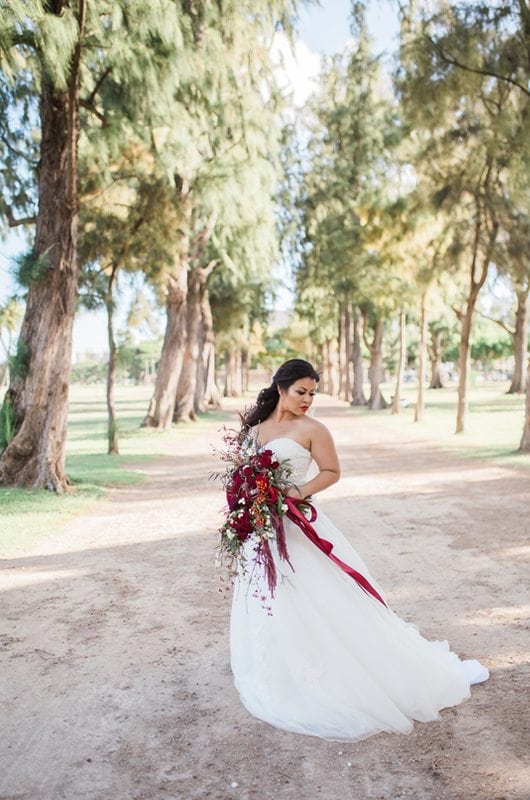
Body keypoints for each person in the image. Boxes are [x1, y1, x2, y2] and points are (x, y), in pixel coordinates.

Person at [229, 358, 489, 742]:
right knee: (270, 593)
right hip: (261, 527)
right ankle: (281, 662)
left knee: (313, 592)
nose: (308, 400)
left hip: (297, 525)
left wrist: (292, 494)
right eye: (301, 392)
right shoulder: (255, 428)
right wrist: (247, 500)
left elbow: (331, 472)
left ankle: (342, 668)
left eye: (312, 393)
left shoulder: (313, 429)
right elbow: (241, 471)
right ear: (280, 388)